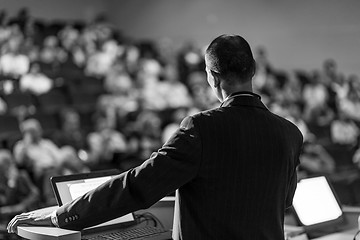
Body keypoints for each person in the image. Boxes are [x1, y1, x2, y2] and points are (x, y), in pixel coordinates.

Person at [7, 34, 303, 240]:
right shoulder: (290, 133)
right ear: (253, 70)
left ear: (211, 77)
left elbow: (136, 186)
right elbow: (284, 200)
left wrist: (62, 215)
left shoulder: (202, 128)